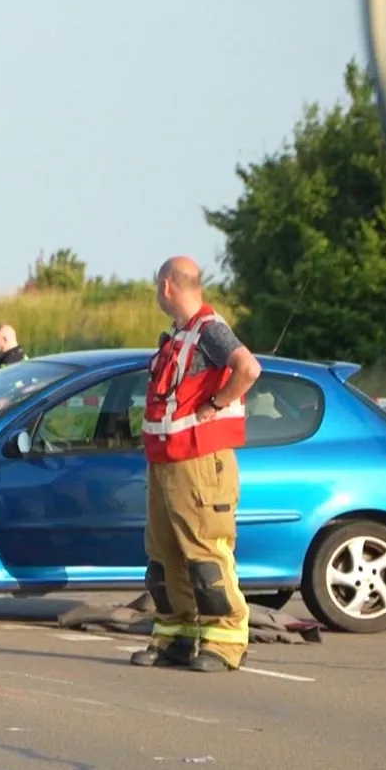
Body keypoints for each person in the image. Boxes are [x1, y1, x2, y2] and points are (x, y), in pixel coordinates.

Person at [131, 255, 262, 672]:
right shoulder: (179, 334)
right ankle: (175, 636)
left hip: (201, 463)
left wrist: (217, 404)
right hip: (167, 461)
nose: (157, 294)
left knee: (206, 555)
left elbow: (248, 368)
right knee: (165, 556)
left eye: (157, 287)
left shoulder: (210, 331)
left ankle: (225, 640)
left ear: (168, 286)